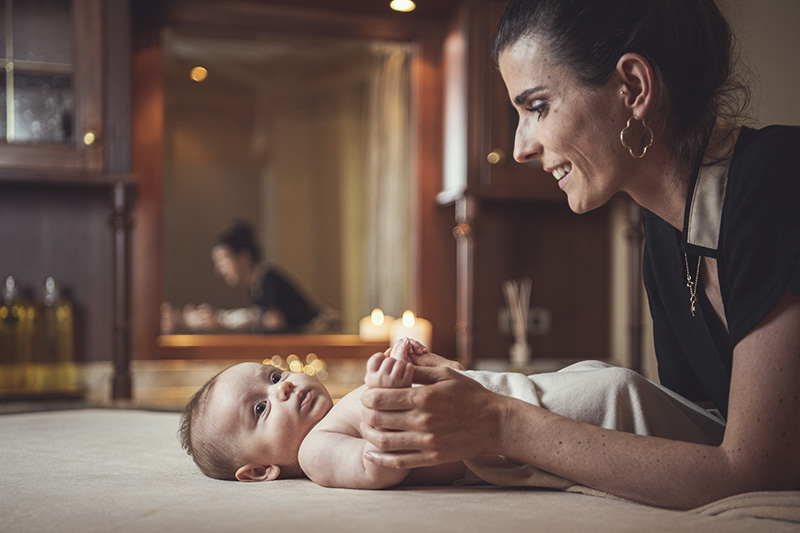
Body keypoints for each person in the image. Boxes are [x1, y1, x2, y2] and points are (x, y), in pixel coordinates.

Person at [359, 0, 800, 509]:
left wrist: (498, 420)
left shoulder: (776, 179)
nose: (521, 146)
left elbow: (757, 470)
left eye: (537, 107)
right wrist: (481, 393)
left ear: (632, 88)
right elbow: (692, 439)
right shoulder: (663, 235)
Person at [178, 338, 724, 490]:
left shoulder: (333, 409)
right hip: (528, 421)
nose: (284, 388)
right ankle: (723, 443)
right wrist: (386, 398)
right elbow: (379, 464)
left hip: (517, 395)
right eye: (259, 408)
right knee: (618, 397)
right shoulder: (318, 453)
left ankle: (719, 429)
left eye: (273, 376)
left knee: (611, 383)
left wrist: (417, 372)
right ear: (260, 470)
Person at [162, 221, 338, 334]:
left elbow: (274, 324)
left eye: (223, 261)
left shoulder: (268, 279)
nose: (220, 269)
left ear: (244, 257)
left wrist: (224, 322)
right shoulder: (256, 285)